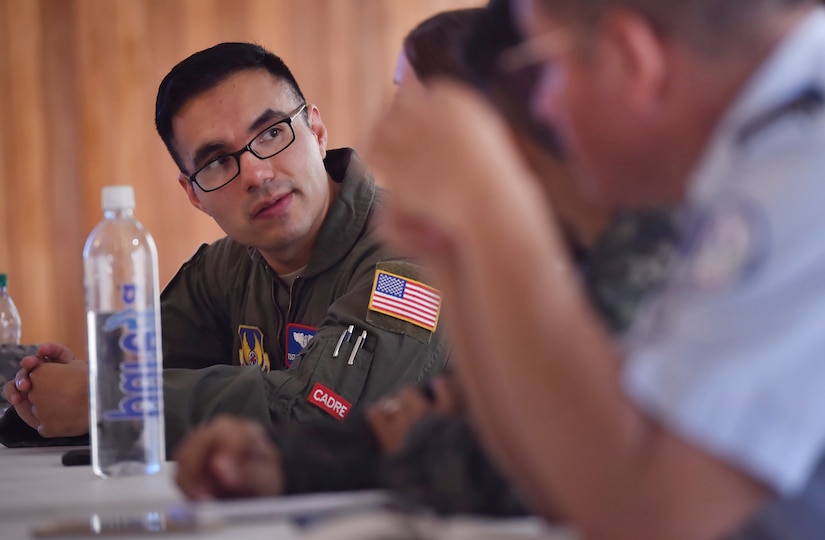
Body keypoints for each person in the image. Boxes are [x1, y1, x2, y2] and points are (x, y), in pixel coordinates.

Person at [173, 5, 678, 519]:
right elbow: (464, 430)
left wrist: (406, 440)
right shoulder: (536, 253)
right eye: (398, 103)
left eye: (423, 112)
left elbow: (545, 468)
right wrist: (282, 462)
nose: (392, 133)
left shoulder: (656, 251)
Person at [367, 0, 825, 538]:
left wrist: (495, 211)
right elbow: (570, 483)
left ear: (632, 59)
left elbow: (653, 516)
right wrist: (459, 248)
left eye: (549, 65)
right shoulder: (761, 149)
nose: (543, 105)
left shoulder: (800, 162)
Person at [0, 42, 449, 453]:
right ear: (193, 193)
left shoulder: (411, 256)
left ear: (316, 129)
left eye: (272, 133)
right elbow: (134, 375)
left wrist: (113, 398)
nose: (257, 174)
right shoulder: (223, 270)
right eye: (217, 162)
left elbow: (327, 417)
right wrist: (56, 392)